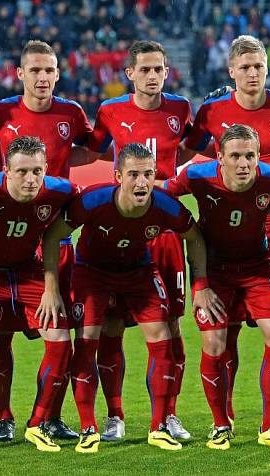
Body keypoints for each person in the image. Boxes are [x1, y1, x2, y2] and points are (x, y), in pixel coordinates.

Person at [40, 143, 223, 453]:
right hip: (92, 271)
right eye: (134, 175)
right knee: (87, 339)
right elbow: (53, 235)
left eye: (148, 174)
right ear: (118, 176)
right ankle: (90, 427)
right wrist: (51, 287)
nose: (142, 183)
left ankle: (159, 426)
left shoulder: (166, 206)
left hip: (138, 270)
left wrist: (202, 284)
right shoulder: (93, 200)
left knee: (162, 335)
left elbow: (194, 237)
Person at [186, 34, 270, 438]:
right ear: (231, 72)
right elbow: (187, 153)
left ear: (266, 68)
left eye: (258, 66)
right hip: (230, 234)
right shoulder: (212, 110)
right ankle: (223, 418)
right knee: (229, 328)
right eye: (245, 67)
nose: (253, 73)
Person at [0, 40, 92, 441]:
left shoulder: (72, 114)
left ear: (58, 74)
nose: (43, 77)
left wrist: (57, 173)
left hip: (55, 237)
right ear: (20, 74)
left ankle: (51, 416)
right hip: (8, 239)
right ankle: (4, 417)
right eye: (35, 70)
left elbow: (89, 152)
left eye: (49, 70)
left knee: (62, 329)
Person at [85, 40, 194, 442]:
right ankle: (115, 415)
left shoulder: (180, 109)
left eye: (159, 69)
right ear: (129, 73)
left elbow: (191, 148)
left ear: (167, 71)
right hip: (126, 231)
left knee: (170, 325)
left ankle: (168, 415)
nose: (153, 76)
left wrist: (166, 185)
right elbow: (89, 150)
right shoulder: (110, 112)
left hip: (164, 233)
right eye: (145, 69)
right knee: (112, 324)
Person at [163, 125, 270, 452]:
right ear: (220, 157)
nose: (243, 163)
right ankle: (221, 424)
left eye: (250, 155)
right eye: (234, 156)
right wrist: (200, 283)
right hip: (215, 271)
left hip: (258, 267)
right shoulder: (197, 175)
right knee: (214, 340)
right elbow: (160, 195)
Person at [0, 136, 79, 455]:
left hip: (27, 271)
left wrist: (51, 287)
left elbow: (61, 229)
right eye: (22, 172)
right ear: (6, 170)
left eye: (37, 171)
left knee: (61, 337)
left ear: (46, 169)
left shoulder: (61, 191)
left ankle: (37, 424)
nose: (30, 179)